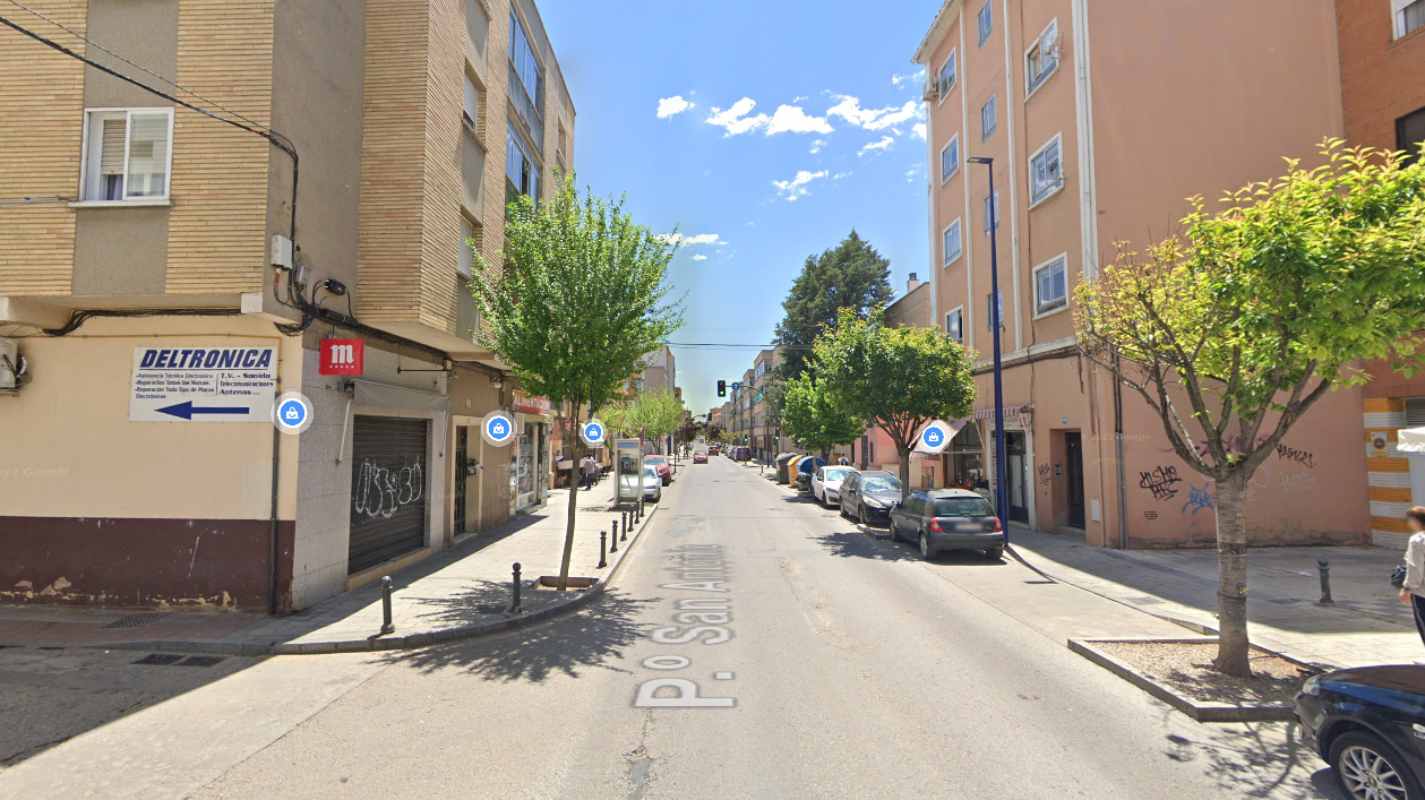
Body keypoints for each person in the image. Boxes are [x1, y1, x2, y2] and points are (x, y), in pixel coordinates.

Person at [1398, 506, 1425, 646]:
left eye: (1410, 520)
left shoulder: (1417, 540)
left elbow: (1415, 568)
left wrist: (1407, 588)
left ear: (1416, 521)